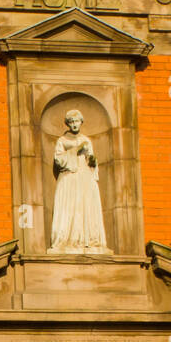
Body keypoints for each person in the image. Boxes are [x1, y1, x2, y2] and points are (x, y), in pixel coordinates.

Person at [50, 109, 110, 254]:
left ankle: (88, 239)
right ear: (68, 124)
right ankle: (68, 239)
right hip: (69, 177)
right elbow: (59, 160)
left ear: (81, 122)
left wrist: (93, 161)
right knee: (71, 206)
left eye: (76, 121)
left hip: (84, 177)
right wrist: (76, 149)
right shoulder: (62, 141)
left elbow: (91, 159)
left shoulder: (86, 140)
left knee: (85, 205)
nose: (74, 124)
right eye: (71, 122)